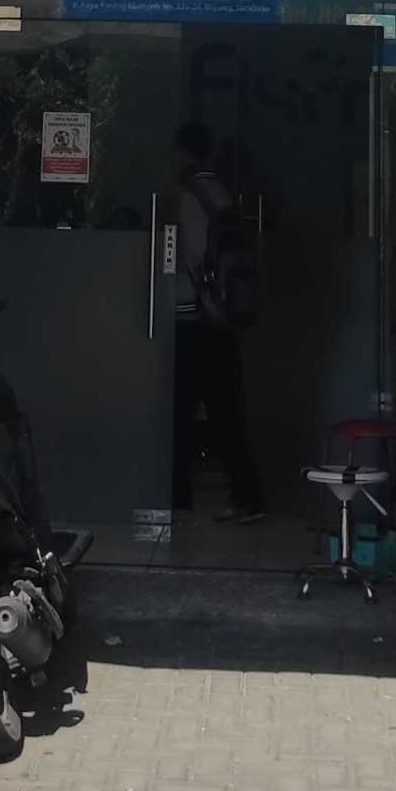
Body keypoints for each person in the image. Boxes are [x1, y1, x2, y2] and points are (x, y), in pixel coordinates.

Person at [172, 121, 265, 523]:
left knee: (182, 410)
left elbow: (192, 254)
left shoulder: (190, 194)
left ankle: (179, 496)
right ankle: (246, 495)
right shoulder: (221, 190)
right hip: (222, 314)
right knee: (224, 408)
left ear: (181, 153)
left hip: (196, 315)